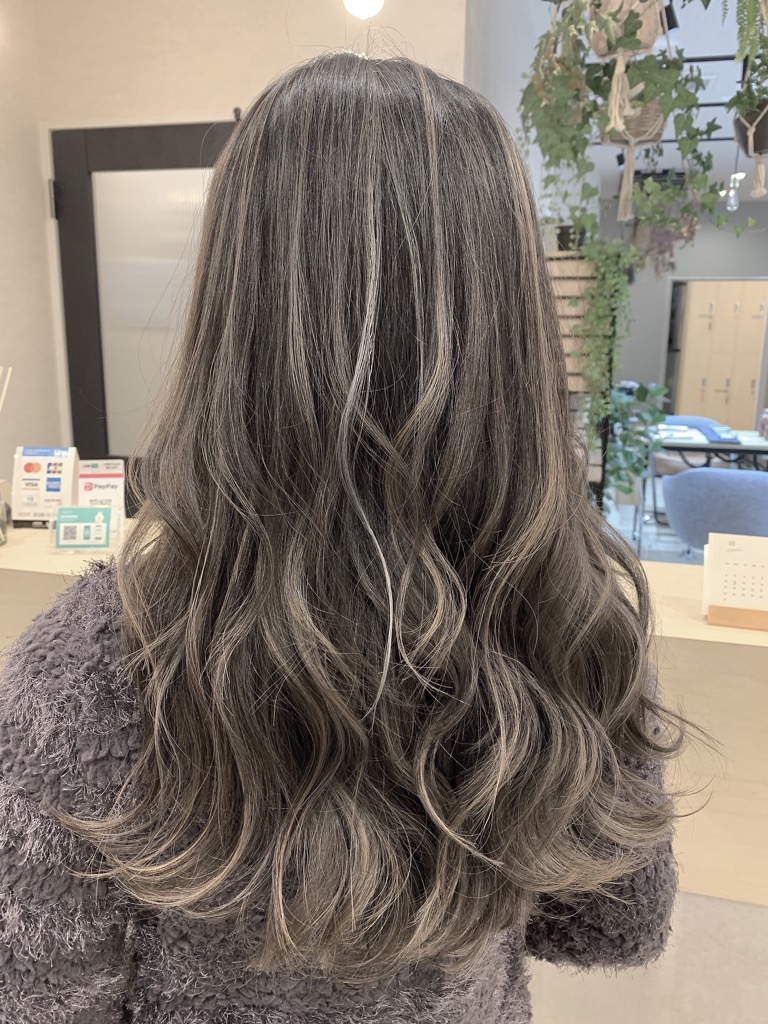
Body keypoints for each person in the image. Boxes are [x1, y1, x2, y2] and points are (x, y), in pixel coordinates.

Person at [1, 50, 697, 1023]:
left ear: (231, 316)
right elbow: (611, 925)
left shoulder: (92, 668)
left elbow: (34, 993)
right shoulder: (572, 623)